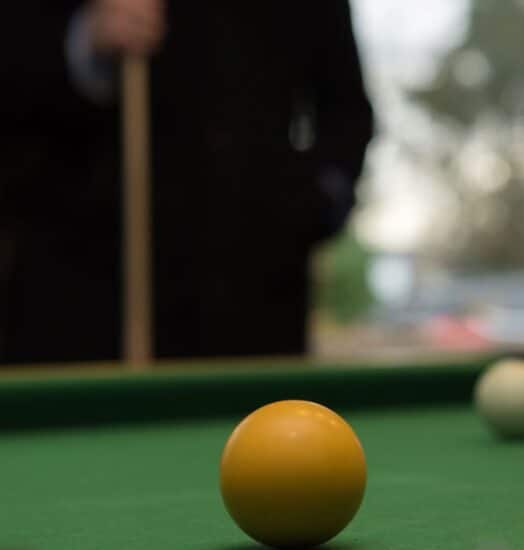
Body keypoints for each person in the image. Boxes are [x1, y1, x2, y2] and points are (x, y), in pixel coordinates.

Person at [0, 0, 373, 363]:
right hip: (83, 291)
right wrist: (85, 38)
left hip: (254, 290)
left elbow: (347, 114)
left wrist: (317, 203)